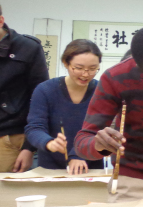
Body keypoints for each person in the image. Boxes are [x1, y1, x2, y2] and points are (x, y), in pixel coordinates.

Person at [74, 25, 143, 200]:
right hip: (134, 179)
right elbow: (82, 141)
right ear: (138, 63)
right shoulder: (116, 77)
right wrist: (99, 144)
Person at [25, 39, 104, 173]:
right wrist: (49, 142)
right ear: (66, 63)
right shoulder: (45, 90)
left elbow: (101, 129)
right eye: (79, 68)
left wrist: (78, 154)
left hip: (90, 167)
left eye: (92, 69)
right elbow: (34, 127)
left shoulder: (101, 91)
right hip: (51, 166)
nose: (85, 74)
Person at [0, 2, 49, 173]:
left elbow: (41, 100)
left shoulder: (28, 48)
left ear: (0, 21)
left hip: (9, 136)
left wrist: (29, 147)